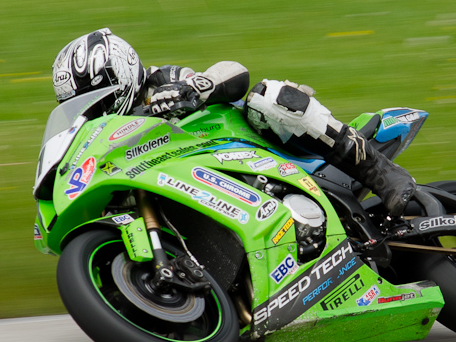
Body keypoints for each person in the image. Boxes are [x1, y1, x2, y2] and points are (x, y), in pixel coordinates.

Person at [51, 28, 416, 217]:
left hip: (261, 149)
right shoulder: (106, 135)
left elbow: (234, 73)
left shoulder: (161, 81)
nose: (90, 109)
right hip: (197, 184)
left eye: (94, 96)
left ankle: (380, 172)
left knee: (267, 95)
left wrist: (194, 88)